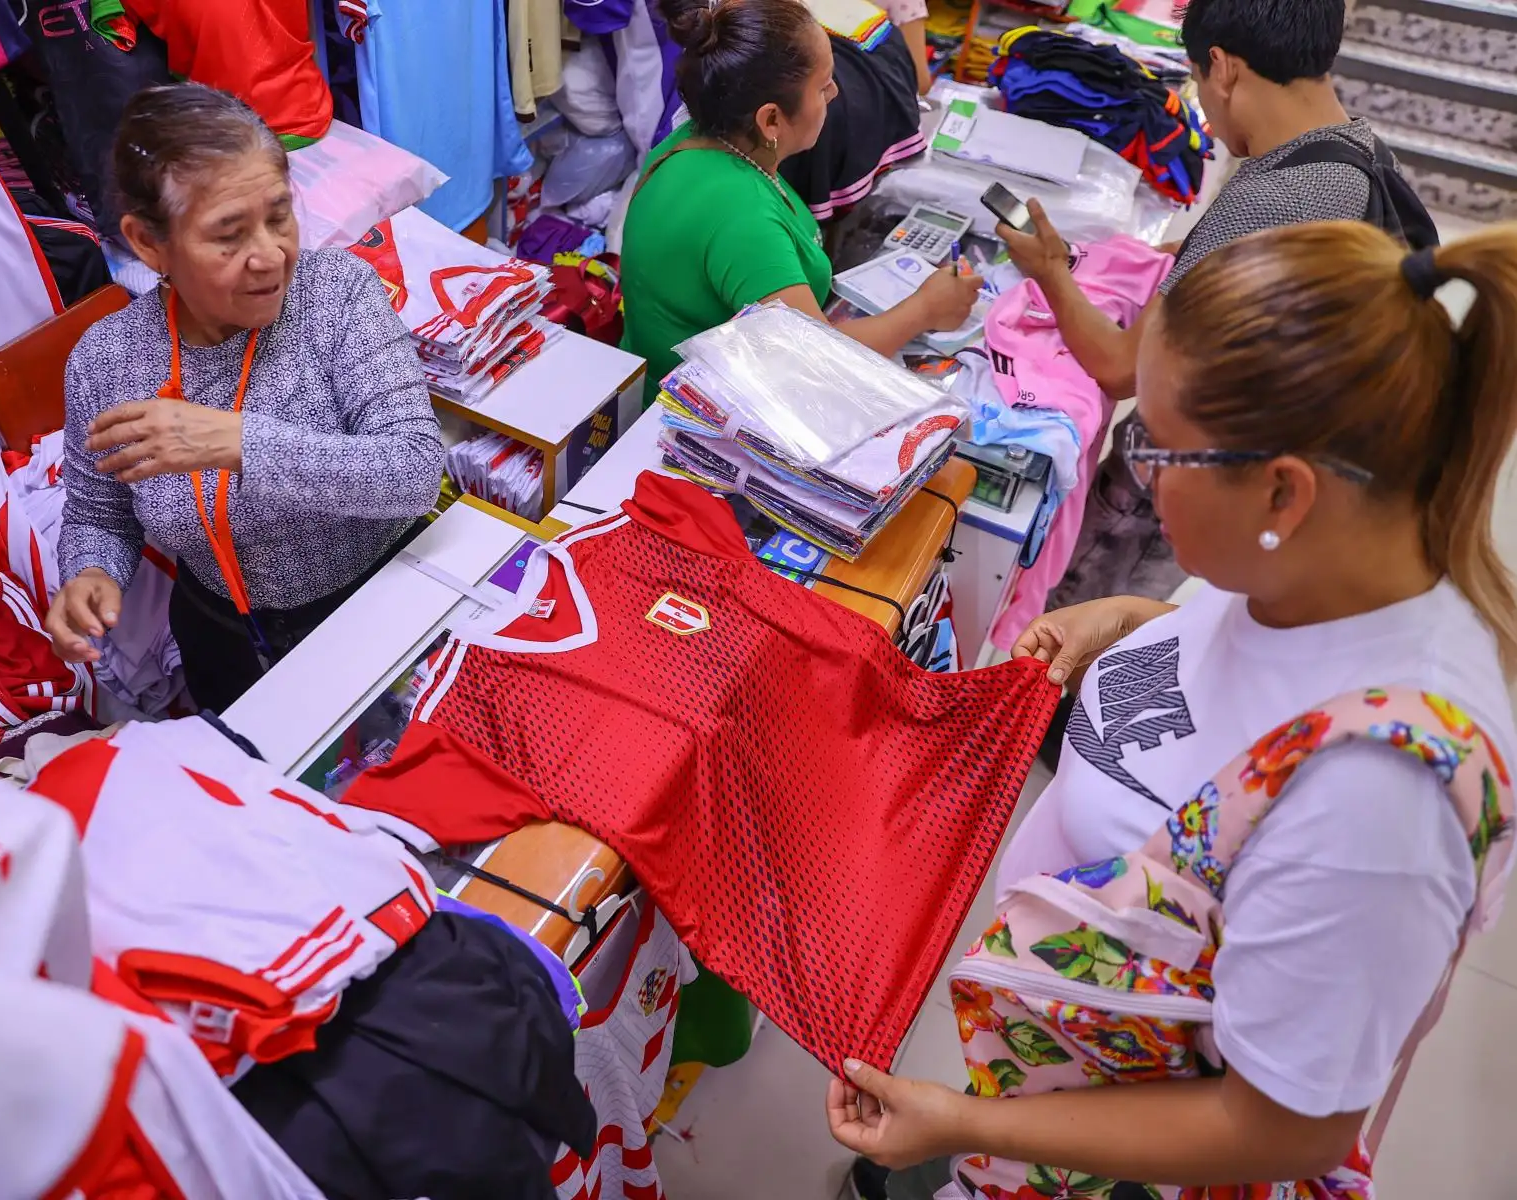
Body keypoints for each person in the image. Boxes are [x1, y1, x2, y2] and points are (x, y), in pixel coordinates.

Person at [828, 220, 1517, 1196]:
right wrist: (1129, 620)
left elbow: (1280, 1128)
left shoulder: (1381, 804)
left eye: (1162, 449)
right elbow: (1251, 682)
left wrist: (968, 1122)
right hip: (1066, 1090)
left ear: (1284, 494)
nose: (1140, 473)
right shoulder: (1320, 570)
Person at [996, 0, 1436, 611]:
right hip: (1261, 468)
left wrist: (1048, 270)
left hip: (1179, 484)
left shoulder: (1272, 201)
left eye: (1198, 76)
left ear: (1223, 68)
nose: (1201, 96)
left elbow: (1123, 367)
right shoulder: (1357, 154)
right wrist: (1195, 254)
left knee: (1072, 634)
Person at [44, 84, 443, 712]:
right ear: (148, 243)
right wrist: (91, 574)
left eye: (279, 216)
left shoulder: (337, 297)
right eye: (229, 234)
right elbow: (100, 514)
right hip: (222, 636)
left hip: (382, 602)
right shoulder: (107, 360)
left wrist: (238, 440)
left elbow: (415, 472)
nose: (270, 257)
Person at [622, 0, 982, 397]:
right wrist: (925, 309)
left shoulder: (698, 141)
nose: (835, 92)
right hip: (694, 417)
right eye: (823, 83)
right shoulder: (742, 217)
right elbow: (819, 360)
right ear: (771, 119)